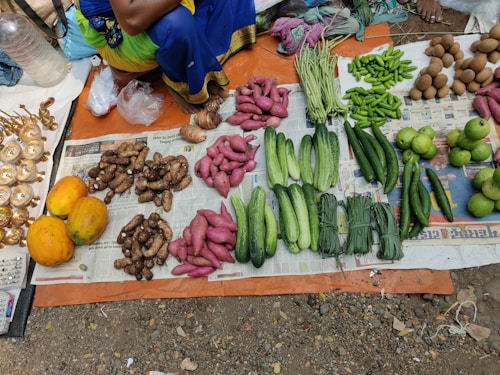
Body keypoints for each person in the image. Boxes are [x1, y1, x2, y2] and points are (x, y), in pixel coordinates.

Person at [74, 0, 256, 113]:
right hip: (123, 30)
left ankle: (199, 61)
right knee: (177, 24)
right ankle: (179, 79)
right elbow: (131, 21)